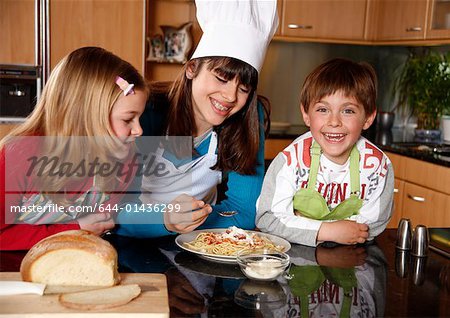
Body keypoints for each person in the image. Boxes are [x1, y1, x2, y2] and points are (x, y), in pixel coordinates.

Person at [116, 0, 279, 237]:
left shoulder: (250, 117)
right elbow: (114, 210)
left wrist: (188, 221)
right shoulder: (148, 112)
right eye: (221, 79)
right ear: (192, 68)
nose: (230, 96)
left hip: (202, 248)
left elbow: (242, 213)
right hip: (133, 248)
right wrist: (164, 219)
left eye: (244, 88)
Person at [0, 46, 148, 250]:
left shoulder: (124, 159)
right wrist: (74, 229)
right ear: (85, 118)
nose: (139, 130)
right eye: (128, 119)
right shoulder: (20, 154)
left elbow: (107, 220)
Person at [256, 58, 394, 247]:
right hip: (296, 258)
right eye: (323, 109)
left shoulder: (378, 165)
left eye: (348, 111)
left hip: (352, 260)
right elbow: (268, 218)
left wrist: (299, 222)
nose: (334, 121)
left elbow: (373, 226)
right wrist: (328, 231)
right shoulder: (291, 159)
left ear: (368, 117)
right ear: (306, 114)